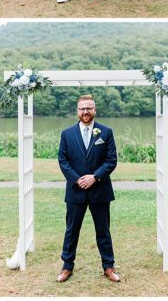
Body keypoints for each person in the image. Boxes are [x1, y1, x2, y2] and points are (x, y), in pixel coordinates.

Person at [57, 95, 120, 285]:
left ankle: (108, 267)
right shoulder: (67, 134)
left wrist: (95, 177)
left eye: (89, 108)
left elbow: (111, 160)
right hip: (75, 191)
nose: (85, 112)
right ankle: (67, 266)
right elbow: (63, 161)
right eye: (82, 108)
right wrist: (78, 180)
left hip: (100, 190)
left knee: (103, 231)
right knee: (71, 230)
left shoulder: (106, 132)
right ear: (77, 111)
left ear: (95, 110)